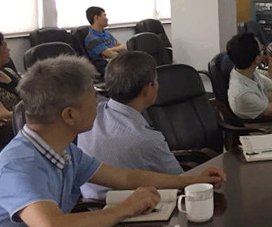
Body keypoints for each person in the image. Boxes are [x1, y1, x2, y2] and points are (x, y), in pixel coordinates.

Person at [0, 55, 226, 227]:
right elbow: (52, 224)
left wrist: (191, 180)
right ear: (69, 115)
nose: (98, 104)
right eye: (92, 97)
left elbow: (127, 177)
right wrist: (126, 208)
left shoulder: (63, 150)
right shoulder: (19, 165)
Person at [77, 51, 183, 200]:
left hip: (90, 203)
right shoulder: (146, 139)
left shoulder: (90, 115)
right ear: (148, 88)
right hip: (132, 207)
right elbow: (178, 180)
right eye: (156, 80)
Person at [226, 33, 272, 119]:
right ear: (257, 59)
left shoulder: (246, 72)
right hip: (266, 126)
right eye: (262, 49)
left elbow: (271, 99)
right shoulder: (244, 95)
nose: (264, 53)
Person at [84, 6, 126, 74]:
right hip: (108, 68)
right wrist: (116, 50)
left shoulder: (106, 33)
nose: (107, 19)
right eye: (104, 15)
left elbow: (123, 47)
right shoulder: (91, 38)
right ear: (96, 18)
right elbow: (112, 54)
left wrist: (111, 49)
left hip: (116, 64)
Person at [0, 33, 20, 148]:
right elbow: (3, 114)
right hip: (8, 133)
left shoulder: (9, 71)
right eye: (5, 46)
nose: (8, 50)